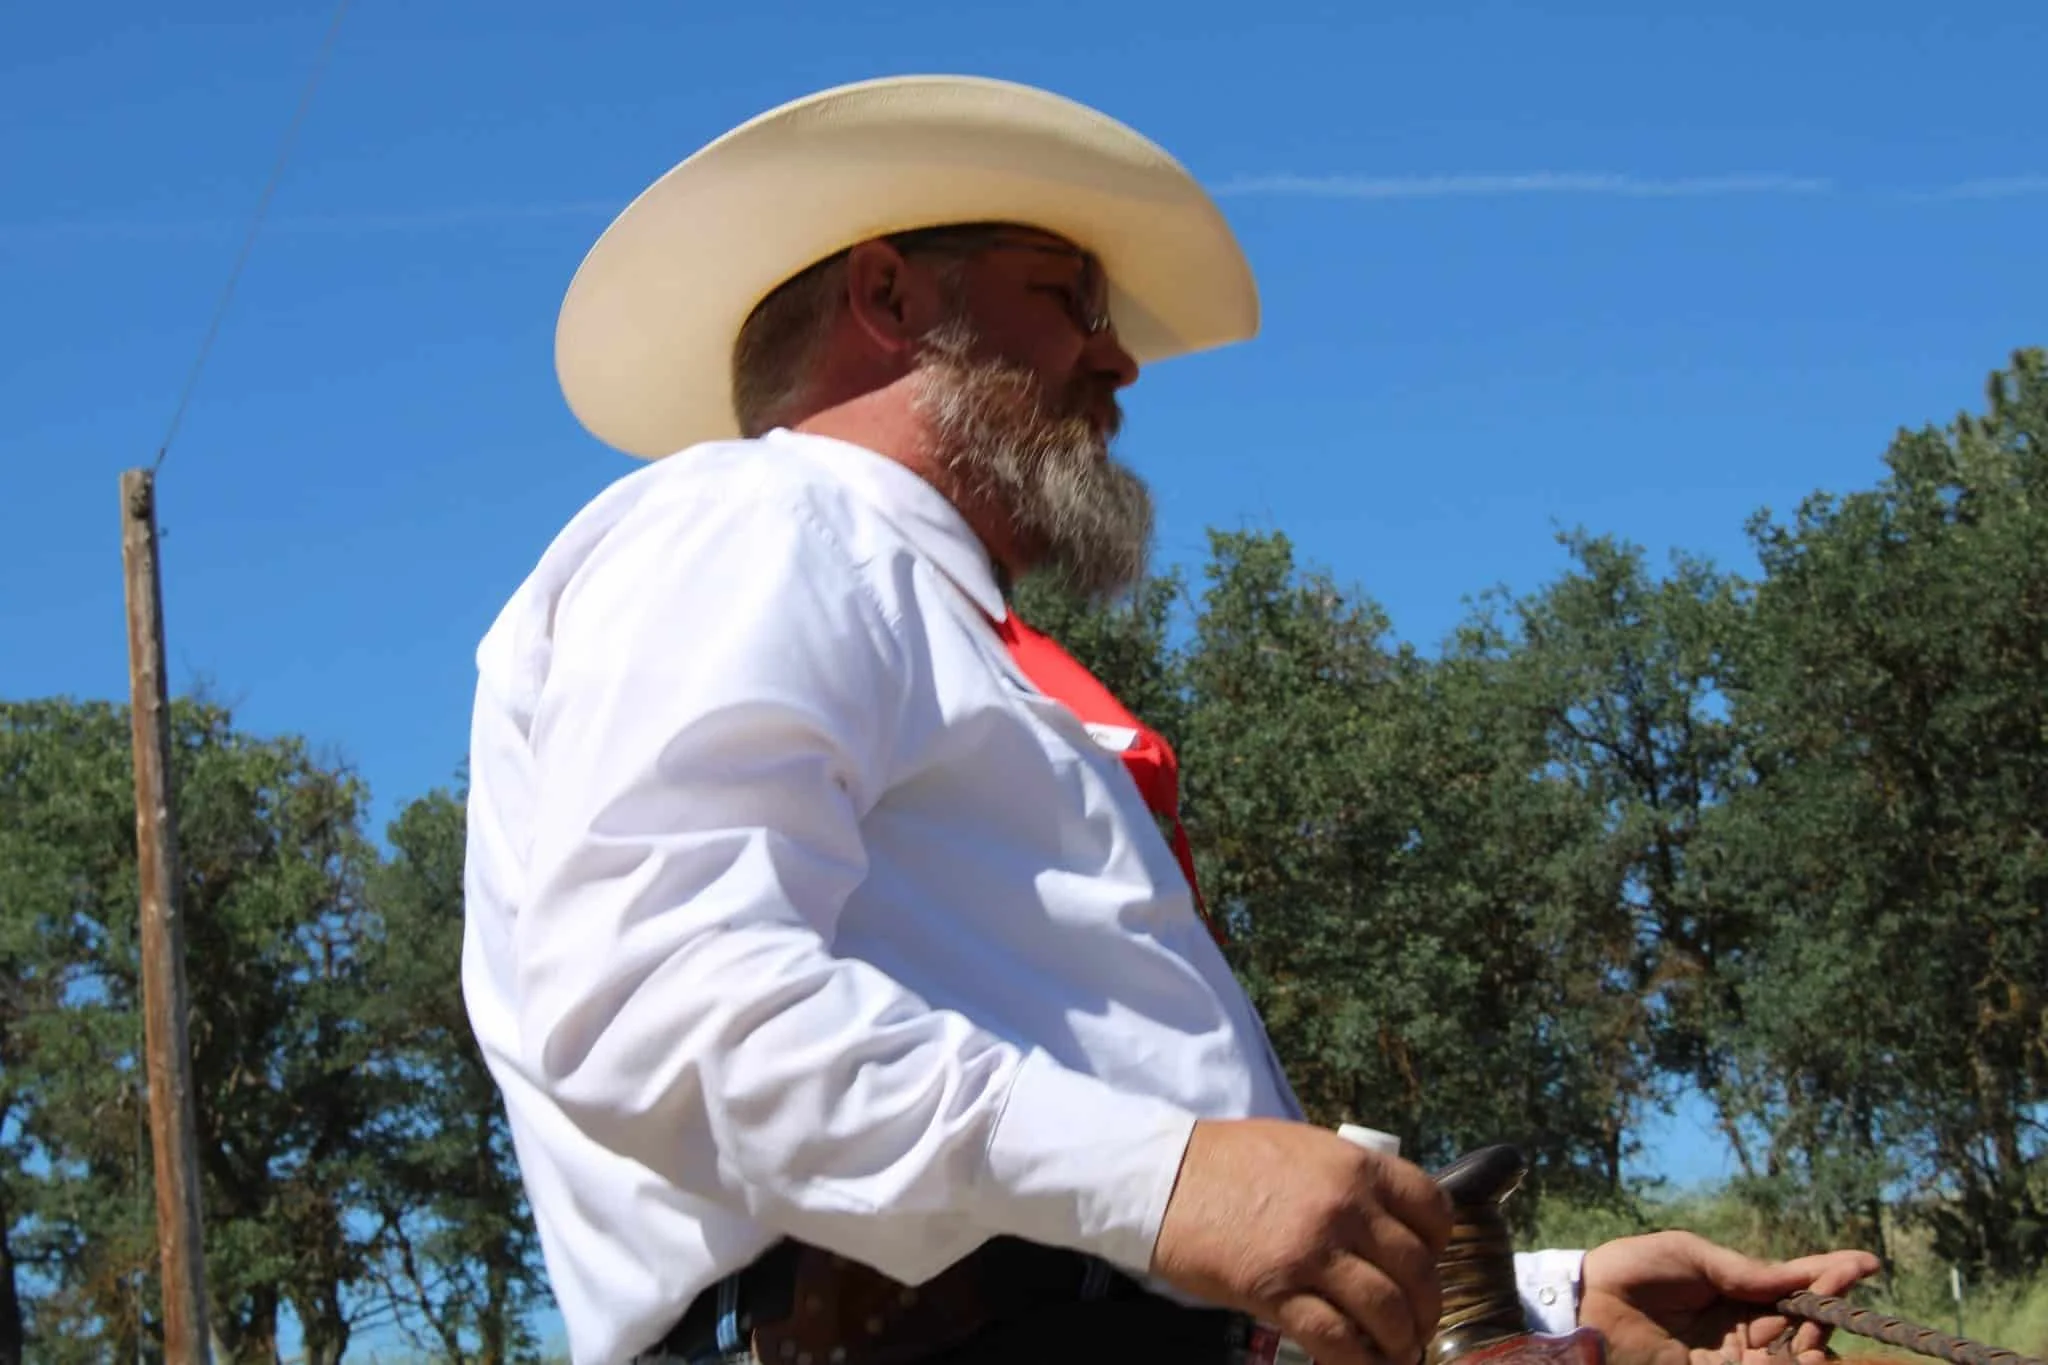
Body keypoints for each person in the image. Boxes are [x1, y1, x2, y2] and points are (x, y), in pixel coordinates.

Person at [460, 74, 1878, 1365]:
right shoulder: (759, 520)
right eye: (1066, 297)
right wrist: (1167, 1179)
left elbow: (1153, 1185)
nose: (1118, 359)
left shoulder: (890, 599)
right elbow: (657, 994)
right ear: (889, 296)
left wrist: (1529, 1301)